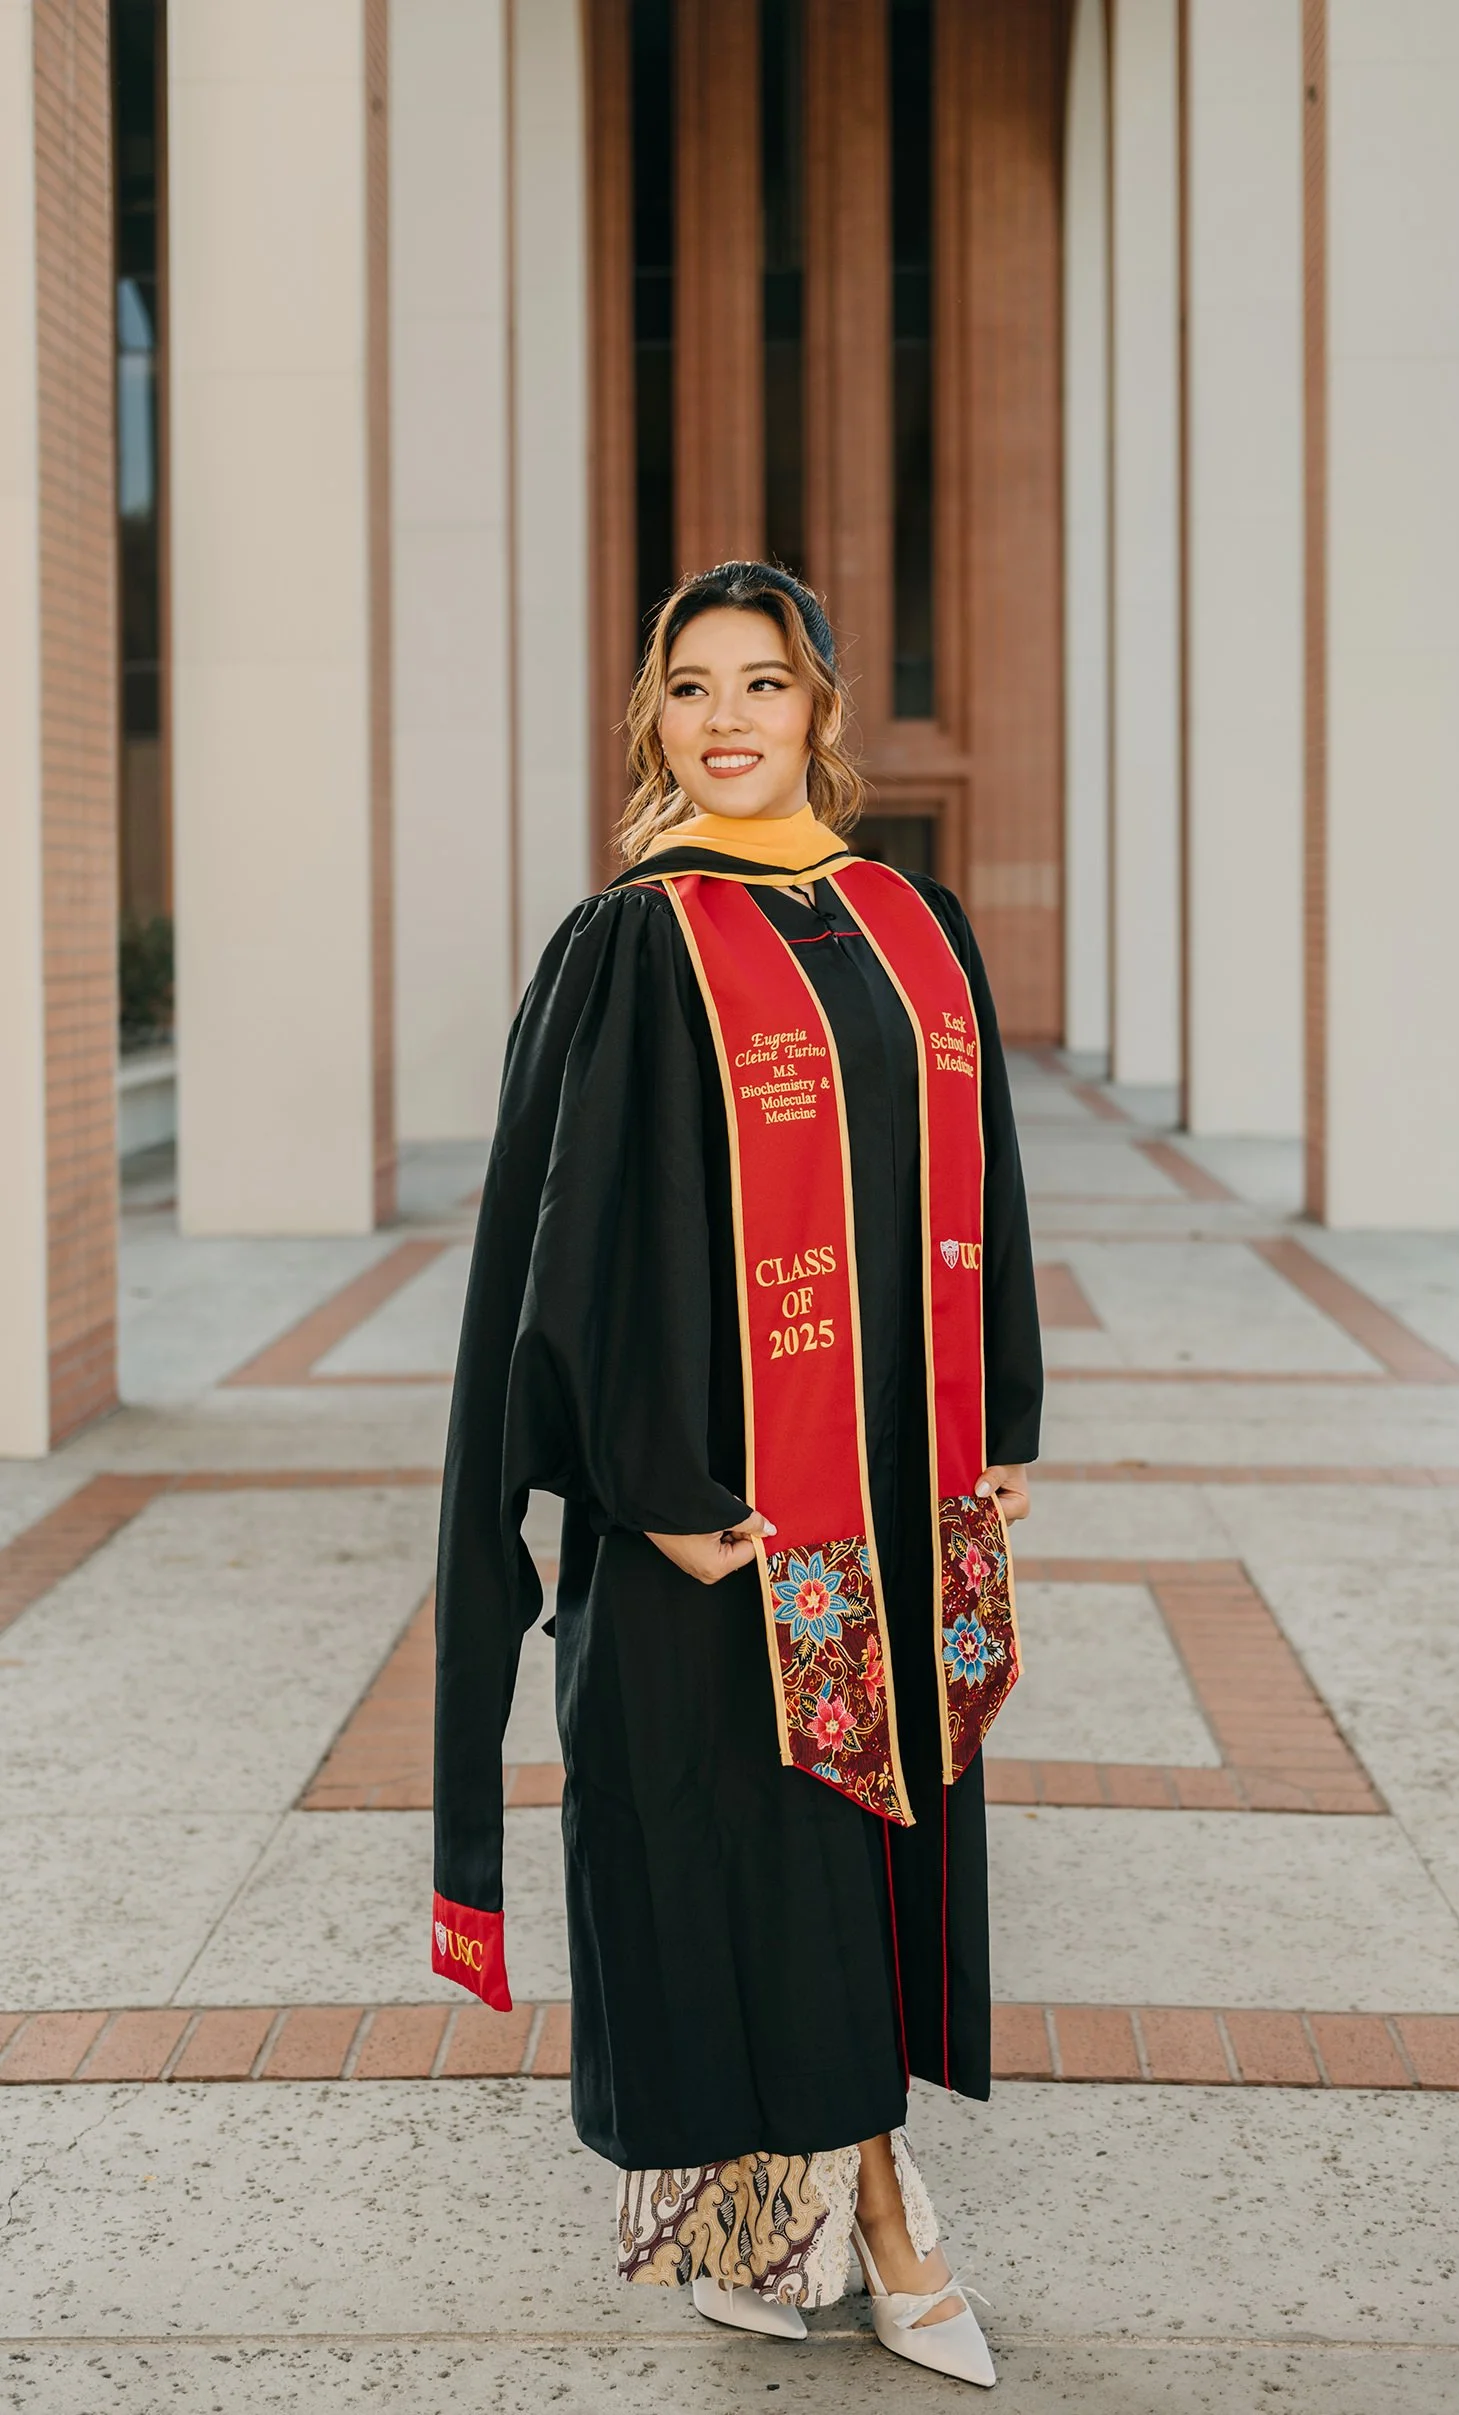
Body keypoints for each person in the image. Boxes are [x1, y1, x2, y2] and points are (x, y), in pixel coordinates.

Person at [431, 561, 1042, 2388]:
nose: (726, 717)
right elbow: (580, 1248)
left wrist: (997, 1422)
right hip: (724, 1518)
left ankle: (763, 2222)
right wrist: (663, 1490)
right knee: (761, 1878)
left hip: (897, 1502)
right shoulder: (638, 939)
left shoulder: (912, 922)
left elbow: (981, 1170)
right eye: (690, 687)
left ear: (819, 709)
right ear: (655, 720)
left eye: (762, 682)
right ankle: (886, 2217)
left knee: (855, 1866)